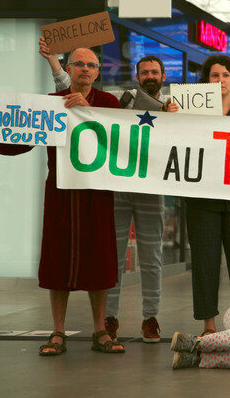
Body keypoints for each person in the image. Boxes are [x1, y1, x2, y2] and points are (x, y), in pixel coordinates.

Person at [0, 47, 124, 355]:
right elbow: (21, 142)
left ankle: (100, 330)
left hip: (97, 193)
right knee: (59, 257)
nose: (85, 69)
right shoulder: (50, 103)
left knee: (99, 258)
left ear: (98, 72)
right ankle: (58, 331)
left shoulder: (108, 103)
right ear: (67, 69)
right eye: (79, 64)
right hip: (61, 192)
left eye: (91, 65)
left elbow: (119, 143)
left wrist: (89, 112)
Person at [40, 40, 179, 342]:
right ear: (137, 76)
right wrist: (53, 62)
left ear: (163, 76)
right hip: (116, 189)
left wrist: (177, 118)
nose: (149, 76)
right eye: (144, 72)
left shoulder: (175, 107)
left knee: (152, 257)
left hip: (150, 190)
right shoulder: (119, 99)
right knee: (112, 257)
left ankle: (150, 318)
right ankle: (109, 318)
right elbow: (72, 91)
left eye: (154, 72)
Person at [186, 54, 230, 336]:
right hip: (202, 199)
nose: (221, 80)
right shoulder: (192, 109)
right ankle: (209, 326)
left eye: (226, 75)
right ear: (206, 80)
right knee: (205, 264)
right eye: (215, 75)